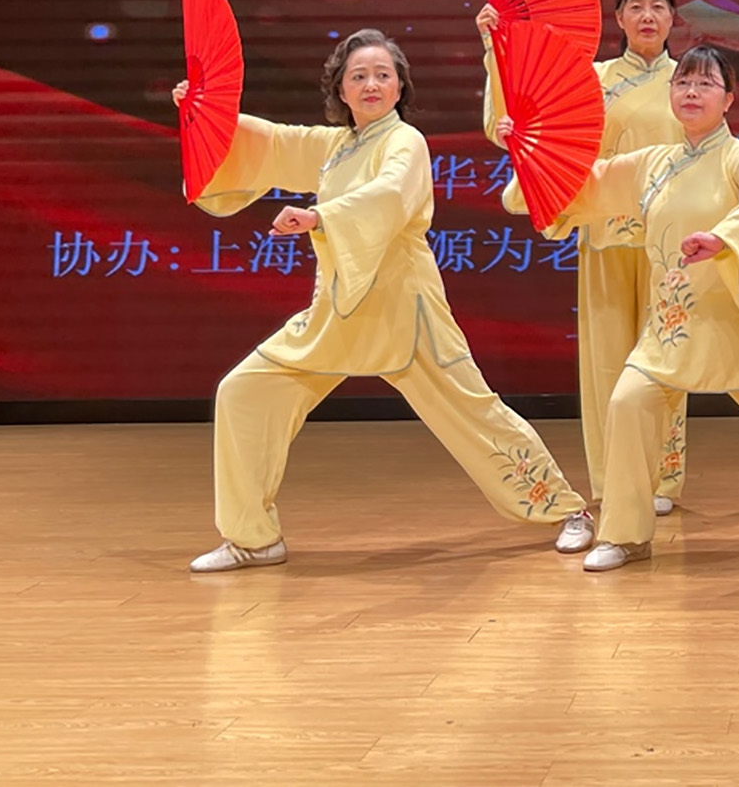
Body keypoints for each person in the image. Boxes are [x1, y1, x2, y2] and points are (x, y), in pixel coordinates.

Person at [178, 29, 593, 573]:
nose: (371, 84)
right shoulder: (335, 147)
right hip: (338, 310)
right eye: (358, 76)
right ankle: (253, 538)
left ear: (400, 86)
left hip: (405, 309)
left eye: (382, 75)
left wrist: (320, 216)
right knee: (245, 392)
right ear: (341, 90)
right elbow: (269, 143)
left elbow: (390, 194)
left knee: (472, 410)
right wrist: (202, 112)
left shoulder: (405, 142)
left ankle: (567, 510)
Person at [501, 45, 739, 572]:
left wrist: (723, 240)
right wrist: (528, 152)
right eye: (683, 83)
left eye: (706, 84)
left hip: (737, 323)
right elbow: (582, 184)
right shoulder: (651, 164)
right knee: (629, 403)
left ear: (728, 99)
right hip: (671, 329)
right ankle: (625, 534)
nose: (691, 92)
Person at [479, 0, 688, 518]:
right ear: (618, 19)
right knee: (606, 366)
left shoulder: (688, 81)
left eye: (658, 7)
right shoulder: (591, 78)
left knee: (666, 359)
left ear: (673, 19)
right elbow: (518, 122)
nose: (647, 16)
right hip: (606, 231)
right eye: (636, 7)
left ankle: (662, 478)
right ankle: (613, 478)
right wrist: (496, 51)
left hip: (668, 239)